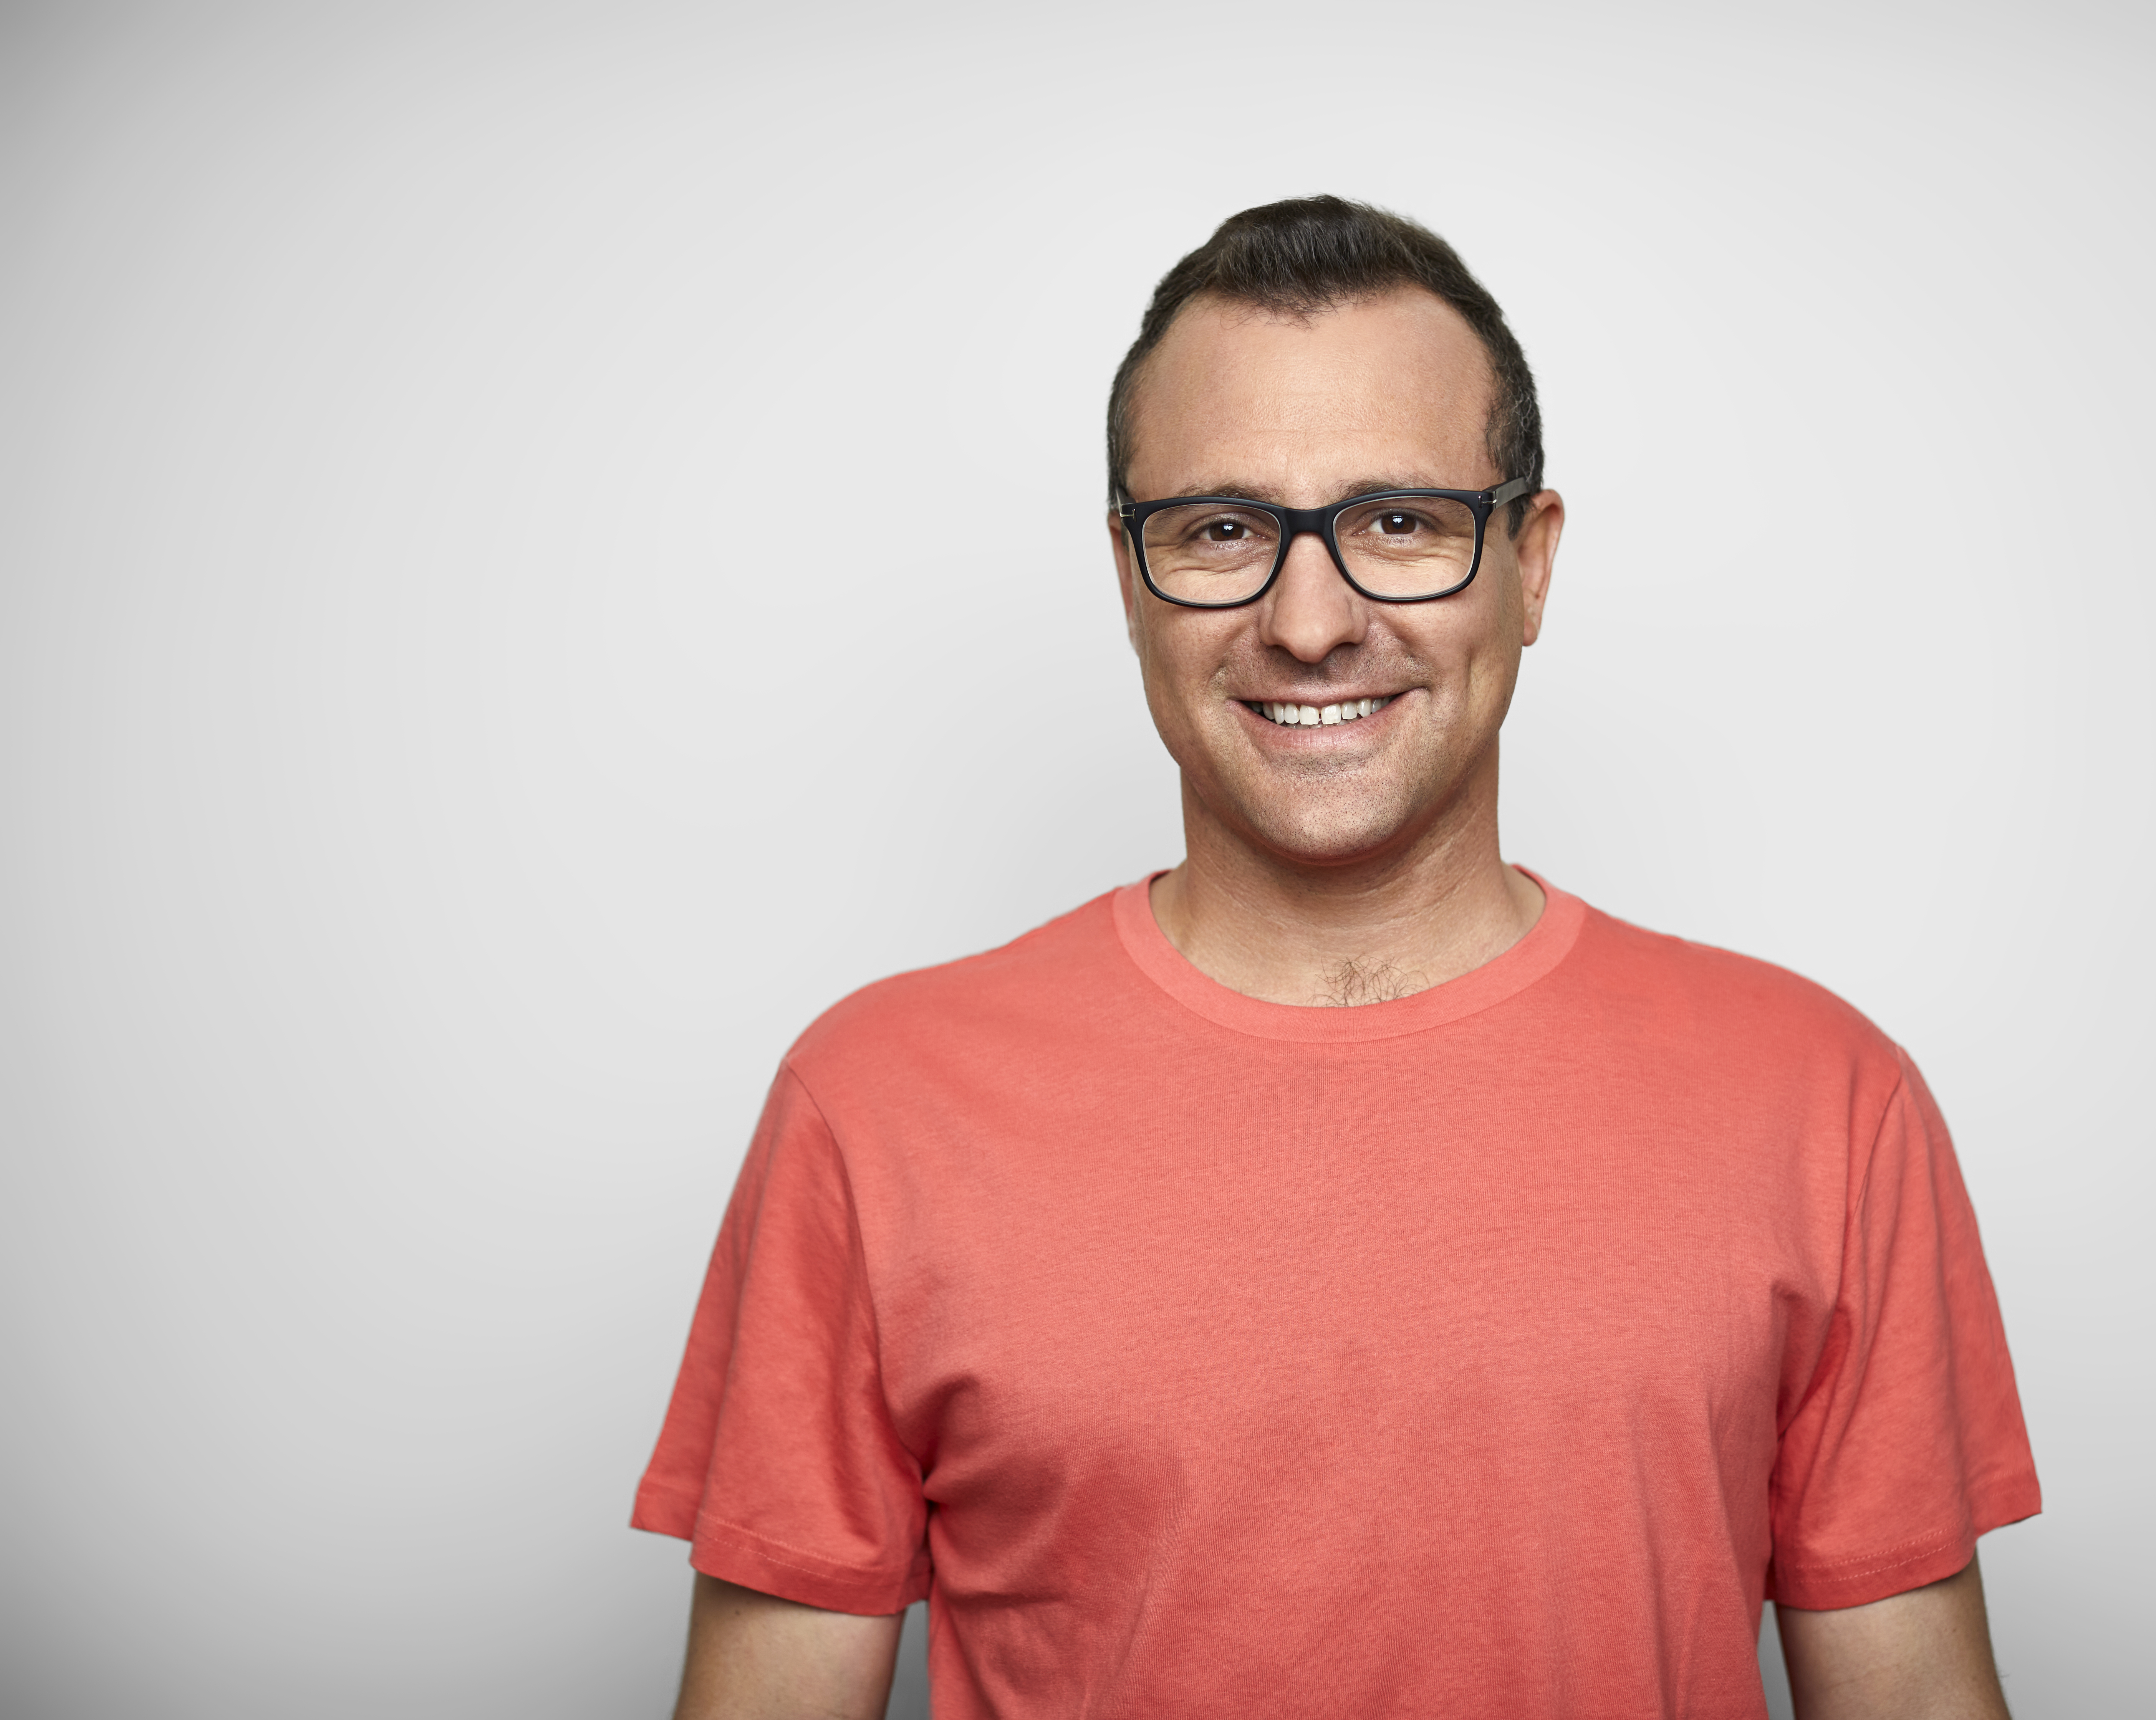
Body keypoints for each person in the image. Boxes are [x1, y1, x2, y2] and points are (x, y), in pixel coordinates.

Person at [634, 195, 2040, 1720]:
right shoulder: (875, 1108)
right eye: (1223, 529)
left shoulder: (1827, 1105)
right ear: (1128, 579)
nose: (1311, 622)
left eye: (1400, 522)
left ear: (1533, 563)